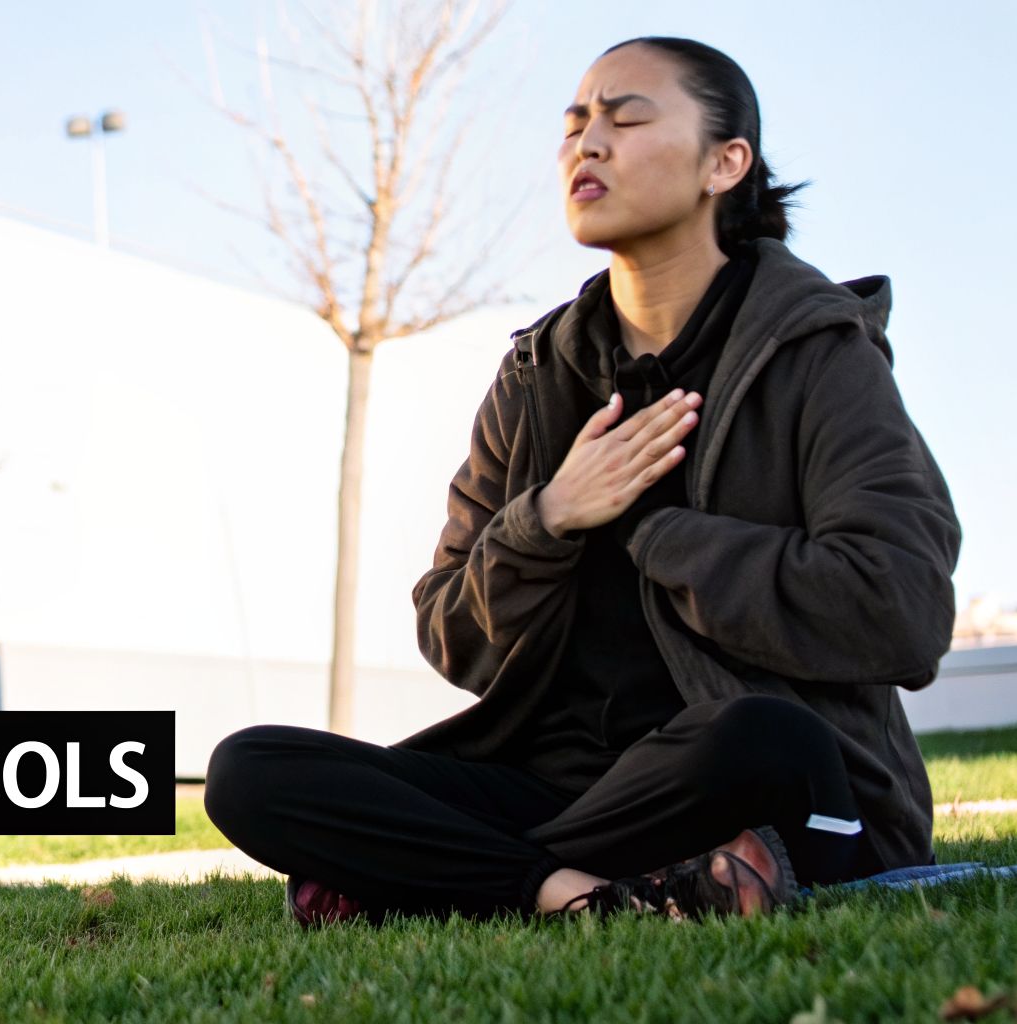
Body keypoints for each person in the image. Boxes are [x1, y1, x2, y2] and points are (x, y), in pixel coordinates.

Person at [202, 35, 962, 926]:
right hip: (559, 785)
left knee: (762, 735)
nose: (586, 144)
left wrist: (654, 531)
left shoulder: (818, 354)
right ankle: (574, 888)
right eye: (573, 125)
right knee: (250, 769)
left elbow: (901, 608)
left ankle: (435, 872)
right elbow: (451, 634)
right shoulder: (537, 375)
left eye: (625, 119)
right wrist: (551, 517)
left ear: (725, 163)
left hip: (736, 767)